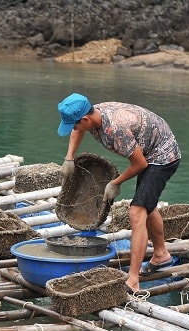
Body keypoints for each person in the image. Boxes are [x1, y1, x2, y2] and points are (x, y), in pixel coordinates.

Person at [56, 93, 181, 293]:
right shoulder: (91, 112)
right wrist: (69, 158)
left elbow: (140, 164)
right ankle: (161, 254)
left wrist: (115, 183)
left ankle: (133, 280)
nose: (74, 128)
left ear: (86, 119)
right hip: (149, 150)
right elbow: (77, 129)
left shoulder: (115, 129)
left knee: (136, 211)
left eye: (75, 124)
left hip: (163, 156)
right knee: (148, 205)